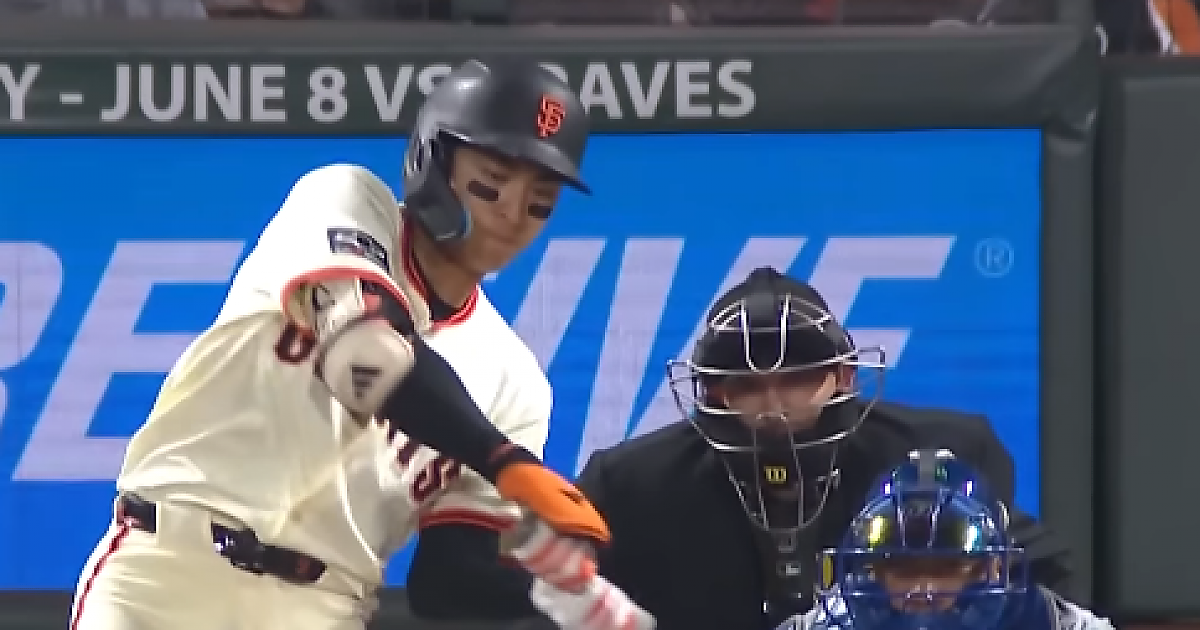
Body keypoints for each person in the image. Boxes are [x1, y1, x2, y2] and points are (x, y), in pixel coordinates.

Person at [70, 59, 649, 630]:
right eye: (492, 180)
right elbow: (366, 361)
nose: (512, 212)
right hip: (171, 567)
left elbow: (447, 580)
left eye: (541, 198)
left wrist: (566, 591)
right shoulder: (344, 199)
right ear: (433, 158)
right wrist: (503, 460)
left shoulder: (515, 383)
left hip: (322, 607)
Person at [406, 266, 1067, 630]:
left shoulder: (936, 455)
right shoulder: (634, 485)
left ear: (842, 377)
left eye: (797, 379)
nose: (772, 406)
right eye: (746, 385)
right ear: (711, 393)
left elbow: (1040, 582)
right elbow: (521, 599)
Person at [775, 449, 1113, 630]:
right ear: (872, 571)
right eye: (903, 569)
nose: (924, 589)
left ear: (993, 567)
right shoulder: (823, 625)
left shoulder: (1059, 625)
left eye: (946, 567)